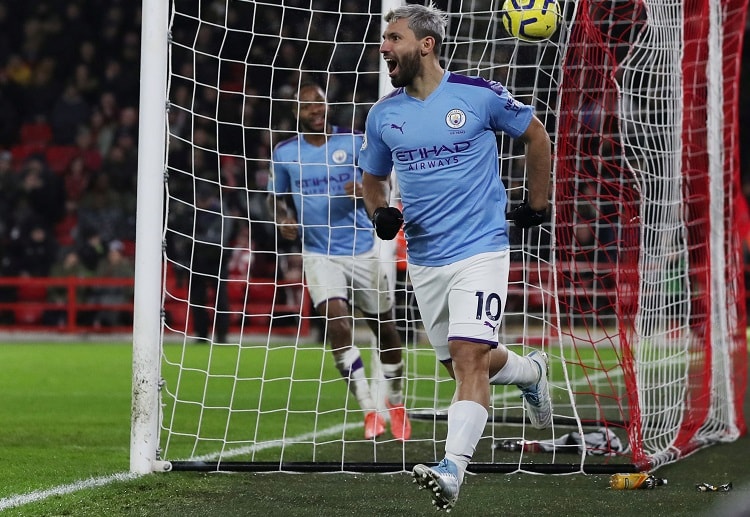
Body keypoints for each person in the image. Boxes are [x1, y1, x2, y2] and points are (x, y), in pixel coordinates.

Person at [359, 3, 552, 510]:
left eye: (393, 38)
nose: (384, 48)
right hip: (425, 258)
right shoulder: (384, 116)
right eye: (384, 40)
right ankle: (532, 373)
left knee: (468, 357)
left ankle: (452, 469)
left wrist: (536, 204)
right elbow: (373, 179)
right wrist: (380, 213)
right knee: (467, 365)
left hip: (481, 249)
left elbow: (536, 135)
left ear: (425, 44)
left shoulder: (478, 96)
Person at [267, 81, 411, 441]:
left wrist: (366, 191)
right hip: (319, 252)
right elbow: (276, 198)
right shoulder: (285, 153)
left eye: (320, 104)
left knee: (385, 329)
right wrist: (282, 219)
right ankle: (368, 409)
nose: (316, 111)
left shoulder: (354, 141)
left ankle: (395, 403)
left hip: (364, 249)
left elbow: (384, 182)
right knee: (337, 324)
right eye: (307, 107)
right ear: (295, 115)